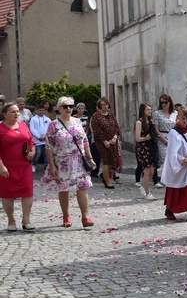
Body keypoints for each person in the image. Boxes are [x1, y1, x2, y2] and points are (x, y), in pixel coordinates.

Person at [42, 97, 96, 228]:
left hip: (79, 160)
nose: (68, 109)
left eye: (71, 106)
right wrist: (52, 165)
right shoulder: (54, 125)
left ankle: (85, 217)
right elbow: (48, 146)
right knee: (64, 189)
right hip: (63, 162)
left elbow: (85, 141)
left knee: (82, 188)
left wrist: (90, 158)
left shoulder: (77, 122)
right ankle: (66, 216)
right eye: (65, 106)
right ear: (59, 108)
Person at [161, 106, 187, 221]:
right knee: (176, 188)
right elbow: (172, 152)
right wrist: (183, 160)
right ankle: (170, 209)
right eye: (183, 118)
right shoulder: (174, 133)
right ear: (178, 118)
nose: (185, 122)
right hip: (179, 165)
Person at [0, 103, 36, 232]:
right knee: (7, 194)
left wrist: (32, 152)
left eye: (17, 111)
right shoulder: (0, 128)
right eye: (12, 112)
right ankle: (11, 220)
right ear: (4, 114)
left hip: (24, 165)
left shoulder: (23, 125)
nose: (16, 114)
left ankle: (26, 220)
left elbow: (31, 142)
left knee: (27, 192)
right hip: (7, 167)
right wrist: (1, 167)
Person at [89, 97, 122, 189]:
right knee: (106, 161)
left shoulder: (110, 114)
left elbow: (116, 126)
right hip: (102, 142)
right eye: (103, 104)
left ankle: (105, 176)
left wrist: (115, 137)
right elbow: (96, 130)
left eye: (106, 104)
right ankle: (107, 181)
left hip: (113, 140)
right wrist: (104, 141)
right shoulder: (96, 116)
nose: (105, 106)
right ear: (99, 106)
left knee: (113, 160)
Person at [152, 94, 177, 188]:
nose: (163, 104)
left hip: (173, 136)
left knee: (173, 158)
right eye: (162, 102)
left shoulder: (175, 113)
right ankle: (163, 178)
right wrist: (165, 140)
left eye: (165, 102)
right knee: (165, 158)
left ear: (170, 102)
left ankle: (172, 178)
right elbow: (156, 129)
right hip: (162, 137)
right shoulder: (157, 113)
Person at [134, 103, 158, 200]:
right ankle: (148, 193)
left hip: (150, 148)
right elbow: (137, 138)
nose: (150, 111)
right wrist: (146, 138)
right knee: (147, 170)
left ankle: (144, 187)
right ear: (143, 110)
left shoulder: (151, 122)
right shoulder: (139, 122)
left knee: (152, 170)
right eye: (148, 109)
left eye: (150, 110)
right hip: (142, 148)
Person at [29, 102, 52, 172]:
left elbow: (50, 128)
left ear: (45, 111)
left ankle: (47, 166)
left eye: (42, 110)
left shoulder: (48, 119)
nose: (41, 112)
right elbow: (32, 129)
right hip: (37, 140)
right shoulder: (33, 119)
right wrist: (39, 137)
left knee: (46, 154)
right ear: (37, 110)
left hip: (46, 140)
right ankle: (33, 165)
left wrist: (46, 136)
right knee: (37, 154)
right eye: (39, 110)